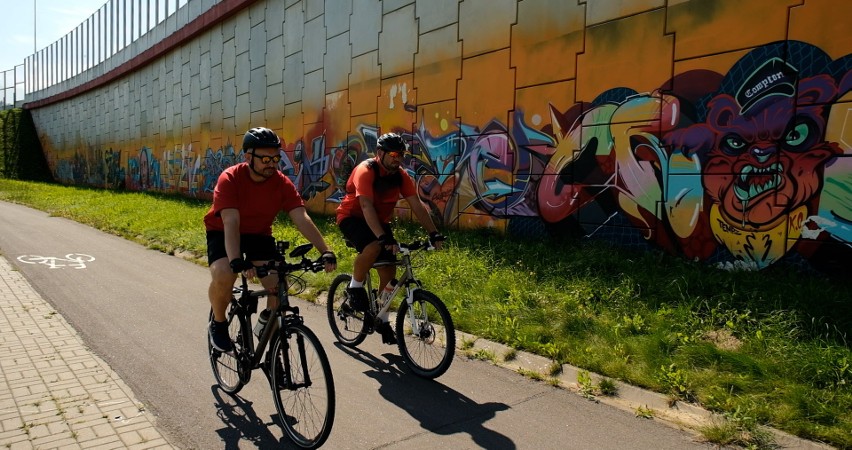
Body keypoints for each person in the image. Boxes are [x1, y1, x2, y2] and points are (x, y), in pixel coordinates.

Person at [204, 126, 337, 352]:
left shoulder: (281, 183)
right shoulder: (230, 178)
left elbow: (301, 217)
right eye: (265, 158)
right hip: (223, 232)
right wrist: (236, 260)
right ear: (248, 157)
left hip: (258, 234)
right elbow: (231, 222)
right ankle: (218, 323)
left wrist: (325, 250)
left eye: (275, 158)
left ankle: (268, 324)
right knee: (225, 273)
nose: (272, 163)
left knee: (279, 286)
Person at [336, 132, 445, 344]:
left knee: (389, 269)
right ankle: (354, 288)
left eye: (401, 154)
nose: (398, 158)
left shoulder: (401, 176)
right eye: (394, 154)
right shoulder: (365, 171)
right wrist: (383, 237)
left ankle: (382, 320)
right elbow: (366, 206)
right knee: (374, 247)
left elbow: (417, 205)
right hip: (352, 217)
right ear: (380, 153)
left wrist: (433, 232)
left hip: (379, 220)